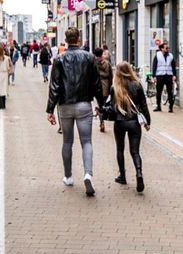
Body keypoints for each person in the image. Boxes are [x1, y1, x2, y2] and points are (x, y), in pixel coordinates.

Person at [46, 27, 103, 197]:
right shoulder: (89, 57)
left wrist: (50, 109)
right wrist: (101, 104)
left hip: (65, 106)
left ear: (66, 39)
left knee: (67, 141)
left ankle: (68, 176)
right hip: (84, 104)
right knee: (86, 141)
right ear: (78, 39)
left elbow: (54, 86)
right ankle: (88, 174)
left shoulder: (59, 59)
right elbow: (97, 84)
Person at [107, 62, 151, 193]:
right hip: (134, 123)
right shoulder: (137, 85)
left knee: (120, 149)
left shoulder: (115, 87)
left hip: (120, 122)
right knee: (135, 151)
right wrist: (148, 121)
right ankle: (139, 173)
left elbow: (112, 107)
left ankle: (122, 176)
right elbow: (144, 105)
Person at [152, 42, 177, 112]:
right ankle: (158, 107)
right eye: (166, 48)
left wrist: (174, 75)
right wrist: (154, 76)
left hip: (168, 75)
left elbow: (173, 66)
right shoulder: (157, 55)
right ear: (161, 48)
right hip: (160, 76)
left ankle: (171, 107)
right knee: (159, 92)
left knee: (170, 92)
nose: (167, 49)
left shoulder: (171, 55)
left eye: (168, 48)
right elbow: (154, 66)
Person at [95, 47, 112, 133]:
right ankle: (102, 119)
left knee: (100, 104)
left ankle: (101, 120)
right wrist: (111, 88)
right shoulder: (107, 63)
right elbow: (110, 77)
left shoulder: (93, 63)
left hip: (96, 86)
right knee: (103, 105)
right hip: (105, 86)